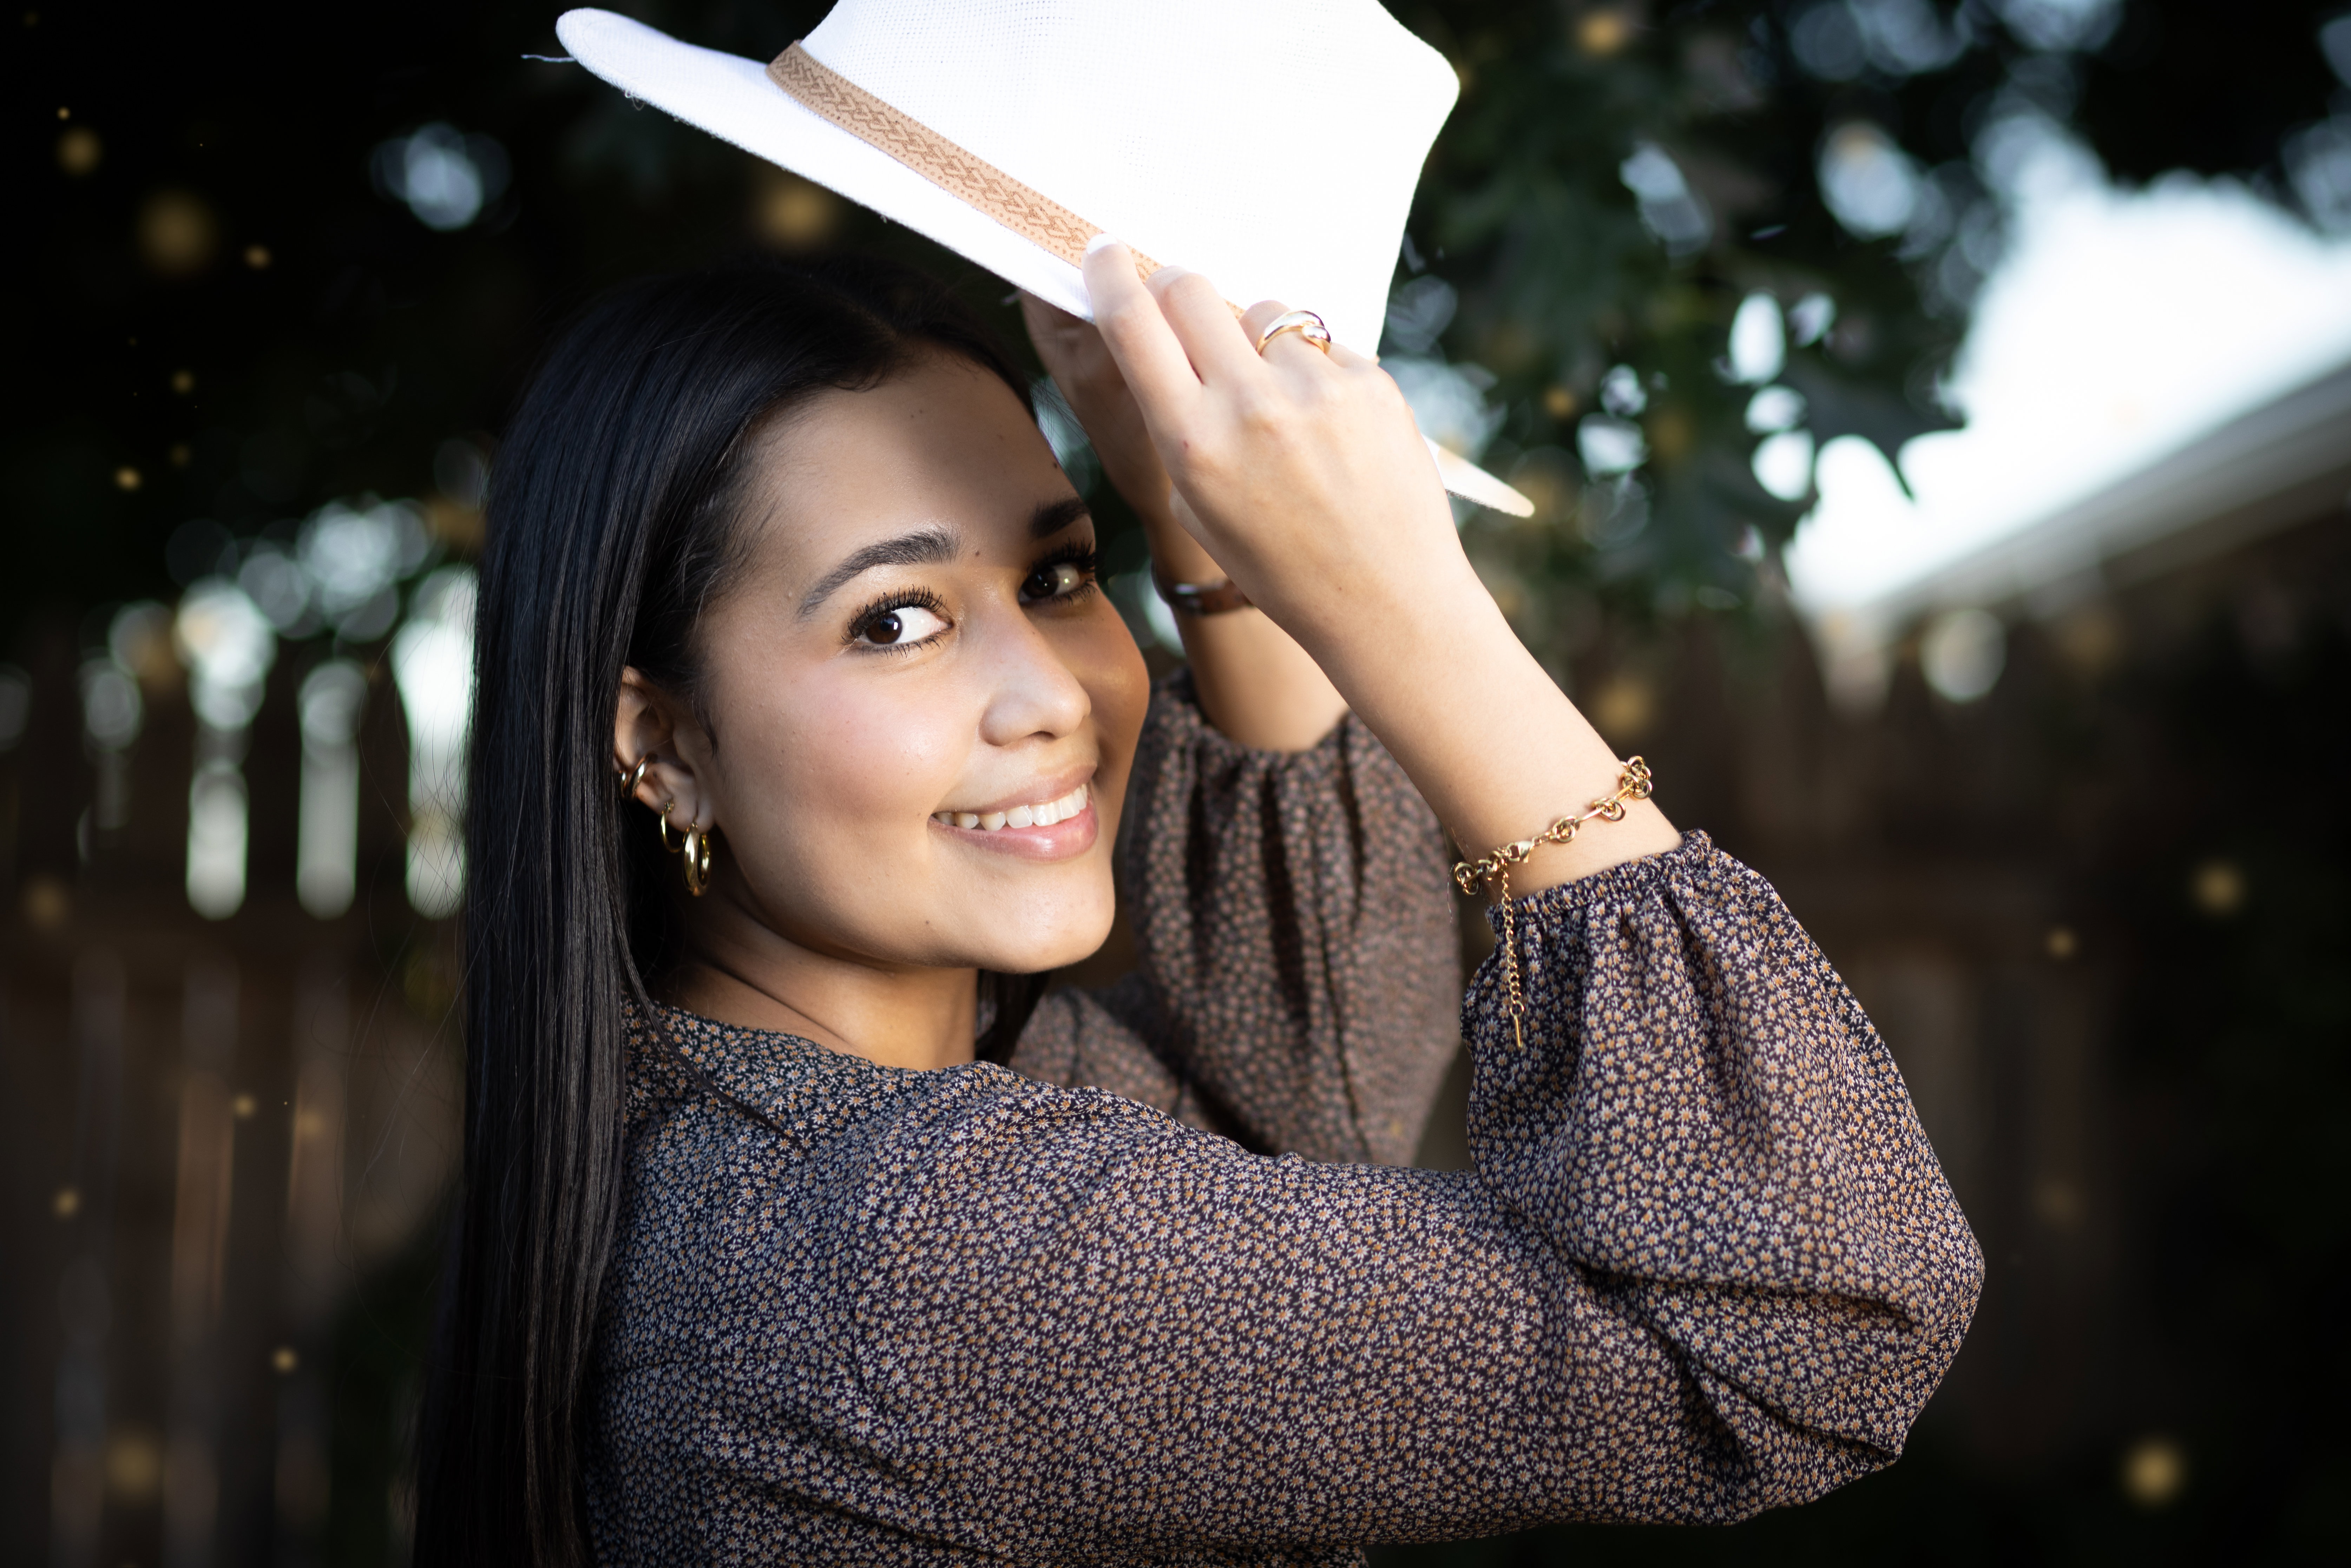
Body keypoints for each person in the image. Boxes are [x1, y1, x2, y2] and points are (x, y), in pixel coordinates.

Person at [414, 241, 1982, 1566]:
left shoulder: (818, 1134)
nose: (1051, 695)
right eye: (896, 620)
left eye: (1058, 575)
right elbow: (1802, 1331)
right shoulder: (910, 1259)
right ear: (664, 743)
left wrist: (1208, 527)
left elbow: (1324, 1093)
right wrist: (1406, 609)